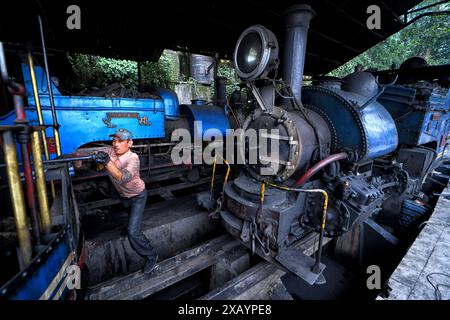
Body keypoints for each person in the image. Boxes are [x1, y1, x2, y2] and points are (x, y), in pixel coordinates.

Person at [93, 128, 158, 274]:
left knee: (132, 232)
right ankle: (132, 222)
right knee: (128, 214)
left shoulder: (133, 158)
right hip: (123, 196)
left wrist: (107, 162)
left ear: (130, 143)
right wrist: (79, 157)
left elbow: (122, 177)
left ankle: (151, 256)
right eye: (114, 140)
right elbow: (88, 151)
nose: (116, 144)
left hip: (138, 197)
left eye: (121, 141)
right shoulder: (110, 150)